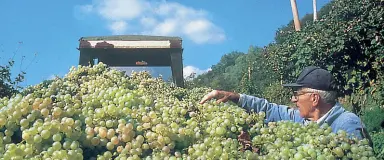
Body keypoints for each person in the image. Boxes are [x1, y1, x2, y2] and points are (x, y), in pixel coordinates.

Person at [199, 66, 372, 143]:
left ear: (314, 99)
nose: (293, 99)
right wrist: (233, 96)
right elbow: (270, 109)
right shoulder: (302, 119)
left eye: (297, 94)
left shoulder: (347, 125)